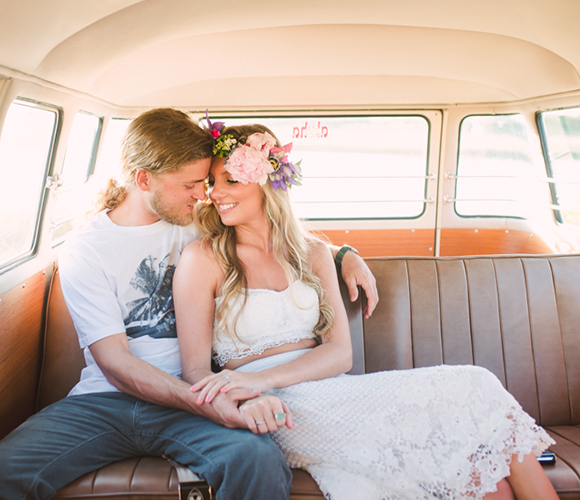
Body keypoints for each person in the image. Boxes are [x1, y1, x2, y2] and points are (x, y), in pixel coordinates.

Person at [0, 108, 378, 500]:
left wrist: (343, 254)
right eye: (191, 185)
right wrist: (211, 401)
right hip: (108, 401)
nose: (205, 195)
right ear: (144, 181)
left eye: (205, 182)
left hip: (195, 397)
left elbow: (273, 235)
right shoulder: (86, 250)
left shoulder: (196, 220)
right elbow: (116, 364)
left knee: (255, 459)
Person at [173, 121, 560, 500]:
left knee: (493, 484)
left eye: (230, 180)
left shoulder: (314, 253)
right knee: (476, 387)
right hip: (271, 411)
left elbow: (340, 353)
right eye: (211, 183)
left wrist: (266, 379)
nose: (215, 193)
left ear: (267, 182)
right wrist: (248, 394)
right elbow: (194, 372)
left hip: (332, 393)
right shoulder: (202, 258)